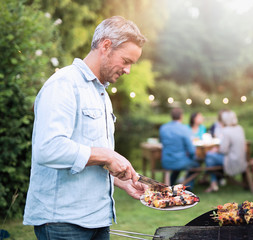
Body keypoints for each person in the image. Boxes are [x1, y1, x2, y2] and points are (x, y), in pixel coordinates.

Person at [23, 16, 148, 239]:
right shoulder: (64, 84)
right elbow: (48, 148)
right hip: (63, 222)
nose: (128, 70)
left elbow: (88, 157)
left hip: (97, 219)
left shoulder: (101, 93)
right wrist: (107, 155)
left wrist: (121, 181)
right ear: (106, 45)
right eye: (126, 60)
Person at [204, 110, 247, 193]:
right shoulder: (239, 128)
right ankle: (214, 182)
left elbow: (223, 150)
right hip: (241, 159)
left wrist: (216, 150)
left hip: (231, 160)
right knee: (210, 159)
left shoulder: (226, 130)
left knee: (209, 155)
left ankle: (213, 182)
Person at [159, 108, 200, 189]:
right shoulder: (184, 129)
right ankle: (187, 186)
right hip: (180, 161)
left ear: (171, 116)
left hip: (166, 161)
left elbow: (161, 141)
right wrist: (192, 158)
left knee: (177, 167)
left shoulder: (163, 128)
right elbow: (191, 150)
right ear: (181, 116)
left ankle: (171, 185)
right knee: (196, 164)